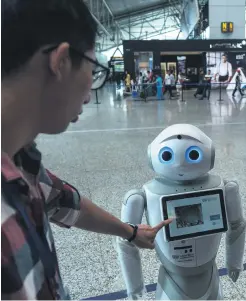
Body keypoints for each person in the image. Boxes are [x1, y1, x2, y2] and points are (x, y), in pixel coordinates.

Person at [1, 1, 172, 299]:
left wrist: (130, 231)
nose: (90, 89)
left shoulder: (20, 159)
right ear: (62, 61)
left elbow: (64, 201)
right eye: (93, 70)